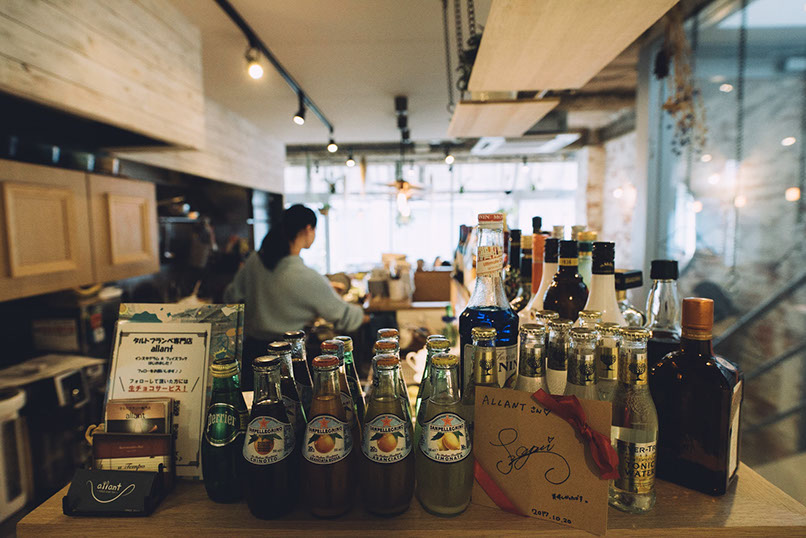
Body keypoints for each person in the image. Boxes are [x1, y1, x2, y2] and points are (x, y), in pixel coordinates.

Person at [224, 204, 367, 389]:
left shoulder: (254, 261)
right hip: (288, 359)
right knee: (289, 406)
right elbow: (344, 316)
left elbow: (230, 295)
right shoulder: (305, 276)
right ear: (308, 229)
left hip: (251, 355)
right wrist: (367, 315)